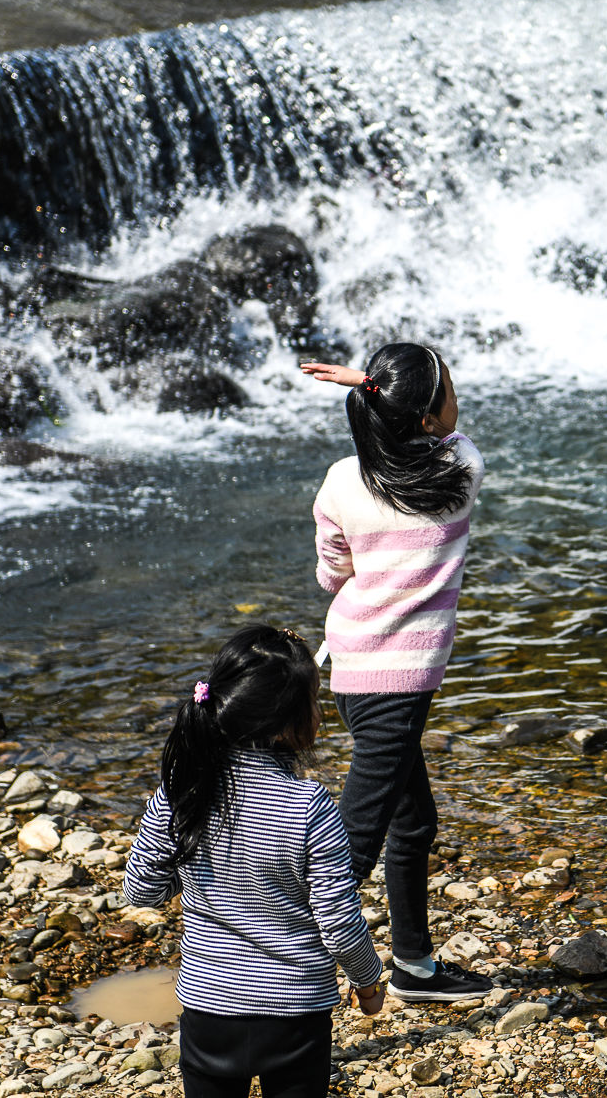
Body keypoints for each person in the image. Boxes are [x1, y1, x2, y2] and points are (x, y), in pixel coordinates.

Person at [299, 342, 492, 1002]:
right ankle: (277, 973)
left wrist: (373, 387)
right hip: (398, 689)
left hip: (353, 669)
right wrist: (382, 390)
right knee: (355, 843)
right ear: (433, 417)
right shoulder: (460, 469)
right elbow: (453, 432)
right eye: (448, 388)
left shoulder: (340, 481)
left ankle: (414, 964)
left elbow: (332, 574)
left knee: (414, 821)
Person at [123, 624, 385, 1098]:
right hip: (296, 1016)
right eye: (315, 700)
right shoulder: (310, 805)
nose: (320, 713)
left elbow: (141, 891)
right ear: (288, 721)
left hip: (208, 1009)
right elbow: (338, 924)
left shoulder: (182, 791)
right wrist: (368, 982)